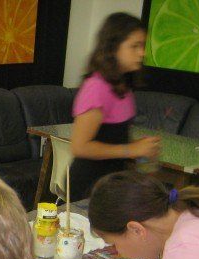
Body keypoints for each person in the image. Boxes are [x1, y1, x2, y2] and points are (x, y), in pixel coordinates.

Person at [69, 13, 161, 201]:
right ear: (113, 48)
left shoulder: (123, 84)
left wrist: (141, 150)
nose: (142, 53)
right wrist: (131, 149)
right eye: (134, 46)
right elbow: (79, 147)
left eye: (143, 46)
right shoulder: (96, 87)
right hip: (89, 185)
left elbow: (115, 136)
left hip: (112, 182)